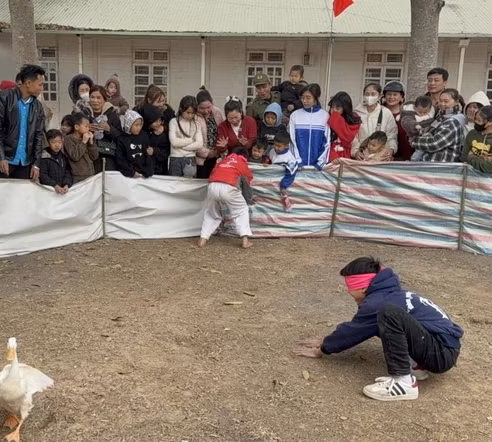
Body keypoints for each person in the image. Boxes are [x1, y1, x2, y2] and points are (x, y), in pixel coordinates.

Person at [294, 257, 463, 402]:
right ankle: (416, 367)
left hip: (441, 354)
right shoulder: (394, 294)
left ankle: (403, 382)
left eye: (350, 288)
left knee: (388, 314)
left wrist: (324, 348)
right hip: (442, 347)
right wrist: (326, 340)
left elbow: (354, 330)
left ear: (361, 287)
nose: (349, 292)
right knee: (387, 318)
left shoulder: (379, 302)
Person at [0, 64, 47, 181]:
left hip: (25, 163)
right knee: (0, 197)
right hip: (5, 160)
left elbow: (38, 136)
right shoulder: (4, 98)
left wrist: (36, 164)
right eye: (40, 84)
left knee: (21, 198)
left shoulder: (37, 106)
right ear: (28, 83)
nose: (42, 88)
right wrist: (1, 157)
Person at [197, 147, 253, 250]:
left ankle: (203, 239)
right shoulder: (242, 162)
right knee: (241, 210)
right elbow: (247, 181)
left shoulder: (223, 161)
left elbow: (213, 174)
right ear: (245, 157)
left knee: (211, 213)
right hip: (229, 186)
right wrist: (248, 198)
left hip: (212, 185)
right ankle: (245, 240)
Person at [411, 88, 466, 163]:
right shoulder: (441, 117)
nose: (442, 104)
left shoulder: (453, 121)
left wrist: (414, 141)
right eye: (440, 101)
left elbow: (435, 143)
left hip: (439, 167)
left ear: (456, 102)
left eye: (446, 101)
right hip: (428, 163)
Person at [288, 83, 330, 168]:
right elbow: (291, 140)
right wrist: (297, 161)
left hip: (317, 169)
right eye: (303, 97)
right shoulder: (295, 115)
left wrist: (320, 163)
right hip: (298, 167)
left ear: (316, 98)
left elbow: (327, 142)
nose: (304, 101)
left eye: (308, 98)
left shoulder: (325, 116)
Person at [352, 83, 398, 160]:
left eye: (373, 94)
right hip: (362, 156)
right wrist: (355, 151)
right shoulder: (356, 113)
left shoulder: (386, 113)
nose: (369, 97)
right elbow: (353, 136)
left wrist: (391, 150)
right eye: (367, 94)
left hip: (381, 157)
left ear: (379, 96)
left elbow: (392, 135)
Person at [460, 106, 492, 173]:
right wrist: (483, 160)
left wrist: (471, 156)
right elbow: (463, 157)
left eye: (479, 121)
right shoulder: (471, 134)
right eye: (475, 119)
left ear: (490, 122)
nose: (475, 122)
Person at [88, 85, 122, 173]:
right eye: (92, 97)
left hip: (107, 158)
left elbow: (121, 138)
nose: (95, 101)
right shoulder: (84, 114)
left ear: (104, 99)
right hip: (87, 157)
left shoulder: (113, 115)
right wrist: (85, 128)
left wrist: (109, 129)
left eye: (99, 98)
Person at [168, 95, 203, 178]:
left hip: (191, 158)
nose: (190, 115)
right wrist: (191, 140)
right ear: (181, 109)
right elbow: (174, 142)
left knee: (190, 186)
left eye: (193, 113)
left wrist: (182, 147)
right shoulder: (173, 122)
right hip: (175, 158)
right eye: (188, 112)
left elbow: (199, 144)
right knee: (174, 185)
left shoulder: (197, 124)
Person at [194, 88, 225, 178]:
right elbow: (193, 140)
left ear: (212, 103)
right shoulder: (194, 117)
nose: (206, 111)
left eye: (208, 107)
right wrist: (208, 153)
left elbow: (223, 131)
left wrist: (220, 149)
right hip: (202, 159)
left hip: (218, 156)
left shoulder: (217, 112)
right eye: (202, 108)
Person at [116, 110, 155, 178]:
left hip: (144, 174)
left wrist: (148, 171)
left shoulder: (144, 136)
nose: (139, 127)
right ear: (129, 124)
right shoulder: (121, 139)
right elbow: (120, 159)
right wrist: (131, 172)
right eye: (136, 125)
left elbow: (148, 155)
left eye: (140, 125)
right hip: (129, 175)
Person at [64, 112, 99, 183]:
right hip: (77, 177)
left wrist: (91, 142)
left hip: (91, 175)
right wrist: (83, 142)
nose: (88, 129)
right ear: (76, 127)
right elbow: (75, 156)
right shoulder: (68, 139)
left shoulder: (88, 138)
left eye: (89, 126)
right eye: (86, 126)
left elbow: (94, 157)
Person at [269, 130, 299, 212]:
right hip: (270, 185)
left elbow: (291, 173)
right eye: (274, 145)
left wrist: (283, 185)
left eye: (279, 146)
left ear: (286, 146)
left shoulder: (290, 158)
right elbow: (268, 161)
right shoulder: (271, 152)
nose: (276, 147)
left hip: (281, 187)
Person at [327, 92, 361, 162]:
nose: (334, 110)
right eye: (332, 107)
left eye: (337, 108)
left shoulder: (354, 121)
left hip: (348, 160)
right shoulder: (327, 119)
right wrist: (332, 156)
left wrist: (335, 119)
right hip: (331, 159)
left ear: (345, 109)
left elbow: (348, 138)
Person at [381, 81, 411, 160]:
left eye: (395, 94)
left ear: (401, 97)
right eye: (389, 94)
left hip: (405, 157)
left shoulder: (408, 113)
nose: (391, 97)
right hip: (383, 156)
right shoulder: (379, 112)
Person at [401, 96, 435, 162]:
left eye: (425, 112)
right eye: (419, 112)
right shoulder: (409, 114)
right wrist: (415, 125)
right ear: (414, 107)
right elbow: (407, 121)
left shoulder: (432, 115)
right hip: (414, 138)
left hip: (427, 139)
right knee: (418, 153)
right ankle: (413, 160)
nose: (422, 114)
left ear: (430, 109)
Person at [38, 129, 73, 194]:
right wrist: (55, 185)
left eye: (59, 142)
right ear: (48, 142)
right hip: (48, 191)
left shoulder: (63, 157)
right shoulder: (44, 157)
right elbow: (43, 175)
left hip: (62, 190)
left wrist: (66, 184)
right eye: (53, 142)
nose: (57, 145)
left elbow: (67, 172)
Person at [142, 104, 170, 175]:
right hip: (147, 168)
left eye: (159, 120)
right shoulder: (145, 133)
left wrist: (154, 151)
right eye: (154, 122)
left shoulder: (165, 133)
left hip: (162, 169)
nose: (158, 123)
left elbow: (167, 151)